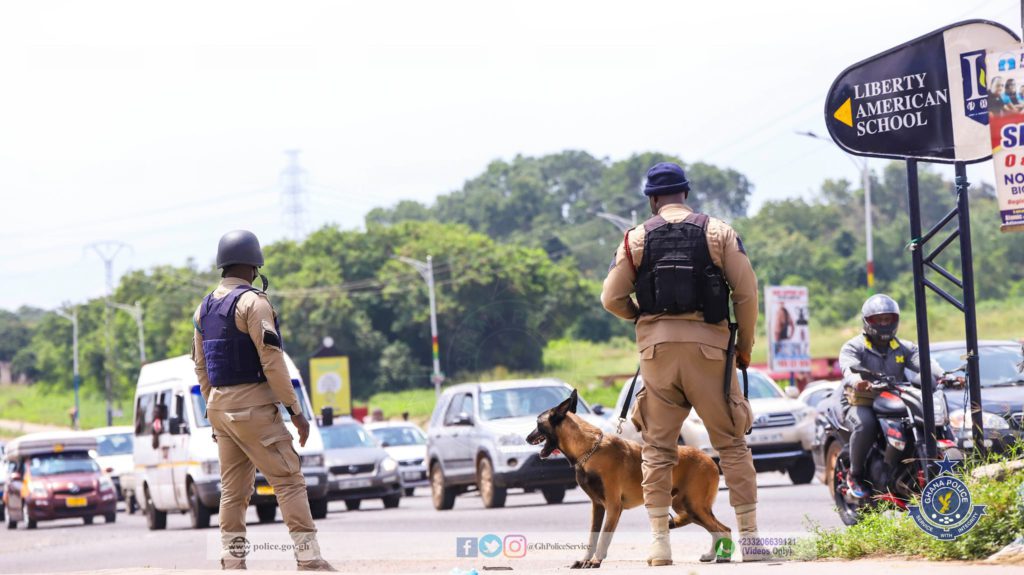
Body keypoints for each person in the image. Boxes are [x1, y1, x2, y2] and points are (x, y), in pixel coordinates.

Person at [601, 162, 764, 564]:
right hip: (710, 350)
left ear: (652, 200)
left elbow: (610, 298)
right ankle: (752, 542)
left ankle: (660, 545)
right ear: (685, 195)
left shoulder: (635, 238)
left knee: (657, 449)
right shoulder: (719, 232)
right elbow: (746, 294)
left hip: (657, 354)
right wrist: (743, 345)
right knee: (732, 444)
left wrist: (641, 317)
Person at [192, 229, 336, 572]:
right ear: (254, 265)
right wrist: (296, 411)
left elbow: (200, 366)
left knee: (233, 491)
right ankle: (309, 558)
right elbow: (272, 361)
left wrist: (216, 404)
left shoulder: (204, 308)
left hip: (220, 409)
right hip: (254, 408)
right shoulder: (253, 302)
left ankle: (232, 562)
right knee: (288, 480)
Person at [837, 294, 940, 498]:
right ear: (867, 322)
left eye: (888, 319)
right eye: (879, 320)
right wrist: (858, 381)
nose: (884, 324)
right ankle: (855, 474)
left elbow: (927, 364)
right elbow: (848, 370)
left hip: (893, 401)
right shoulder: (854, 346)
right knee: (865, 425)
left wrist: (944, 376)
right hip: (862, 400)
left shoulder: (904, 347)